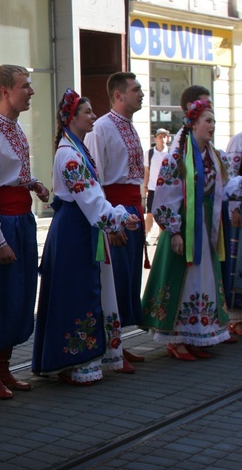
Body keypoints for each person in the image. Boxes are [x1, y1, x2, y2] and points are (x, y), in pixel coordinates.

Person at [33, 88, 140, 385]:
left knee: (84, 289)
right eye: (87, 112)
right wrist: (119, 217)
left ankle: (84, 356)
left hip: (79, 227)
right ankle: (73, 359)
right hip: (75, 231)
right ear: (72, 118)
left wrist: (115, 216)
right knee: (75, 292)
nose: (93, 116)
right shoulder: (70, 155)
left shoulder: (76, 149)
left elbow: (92, 197)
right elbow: (91, 200)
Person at [0, 64, 49, 399]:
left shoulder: (15, 128)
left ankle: (3, 367)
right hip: (5, 224)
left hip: (22, 219)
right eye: (24, 86)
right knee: (1, 298)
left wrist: (32, 184)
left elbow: (10, 175)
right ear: (5, 91)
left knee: (19, 296)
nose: (30, 92)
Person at [142, 100, 239, 360]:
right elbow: (164, 196)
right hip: (185, 226)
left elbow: (227, 187)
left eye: (214, 122)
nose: (212, 126)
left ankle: (195, 333)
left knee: (203, 278)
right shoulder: (178, 156)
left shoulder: (215, 156)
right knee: (184, 278)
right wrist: (173, 231)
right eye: (208, 121)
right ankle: (176, 339)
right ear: (194, 124)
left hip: (207, 226)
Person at [83, 71, 146, 370]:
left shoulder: (131, 127)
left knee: (129, 279)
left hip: (132, 208)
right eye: (136, 90)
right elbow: (97, 179)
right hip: (116, 209)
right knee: (115, 279)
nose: (141, 94)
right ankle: (110, 348)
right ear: (118, 95)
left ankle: (119, 344)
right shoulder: (102, 128)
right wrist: (111, 223)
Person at [224, 131, 242, 337]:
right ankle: (236, 318)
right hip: (241, 208)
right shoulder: (238, 141)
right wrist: (235, 207)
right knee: (238, 264)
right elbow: (231, 174)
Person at [143, 128, 170, 244]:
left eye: (164, 137)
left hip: (166, 188)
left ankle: (160, 235)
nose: (162, 139)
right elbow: (147, 170)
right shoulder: (149, 153)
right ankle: (148, 234)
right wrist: (145, 185)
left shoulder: (171, 153)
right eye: (160, 137)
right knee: (150, 212)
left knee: (163, 212)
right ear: (155, 139)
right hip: (153, 187)